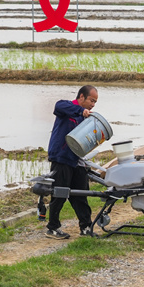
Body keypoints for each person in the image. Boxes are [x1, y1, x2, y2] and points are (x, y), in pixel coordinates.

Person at [44, 85, 98, 239]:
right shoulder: (68, 108)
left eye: (95, 102)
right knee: (59, 194)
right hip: (61, 157)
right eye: (91, 100)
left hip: (76, 159)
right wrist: (81, 111)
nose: (93, 104)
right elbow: (58, 105)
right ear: (81, 96)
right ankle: (52, 228)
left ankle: (86, 227)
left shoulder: (85, 117)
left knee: (81, 194)